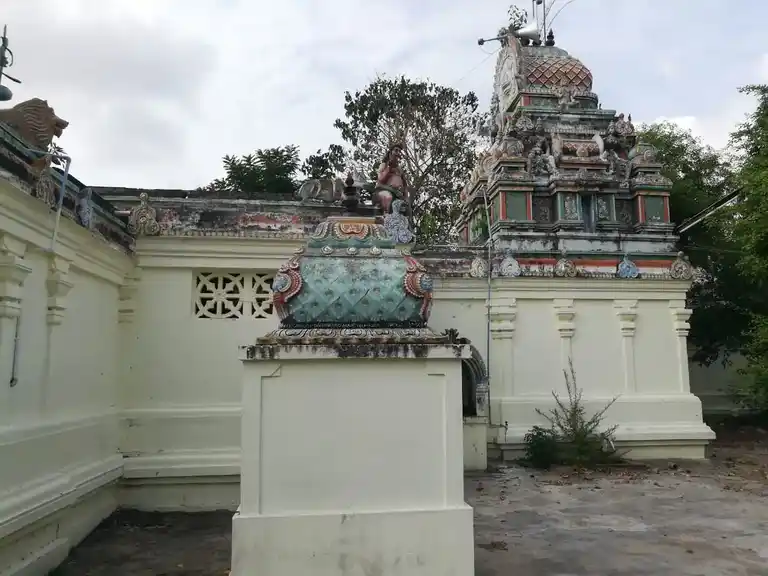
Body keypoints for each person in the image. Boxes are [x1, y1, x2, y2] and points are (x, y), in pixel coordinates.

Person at [374, 143, 408, 214]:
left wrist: (406, 197)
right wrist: (389, 168)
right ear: (390, 152)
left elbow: (405, 185)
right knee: (388, 198)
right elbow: (380, 180)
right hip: (385, 191)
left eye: (399, 151)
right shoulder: (384, 165)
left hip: (399, 195)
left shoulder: (400, 170)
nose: (398, 153)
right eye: (396, 150)